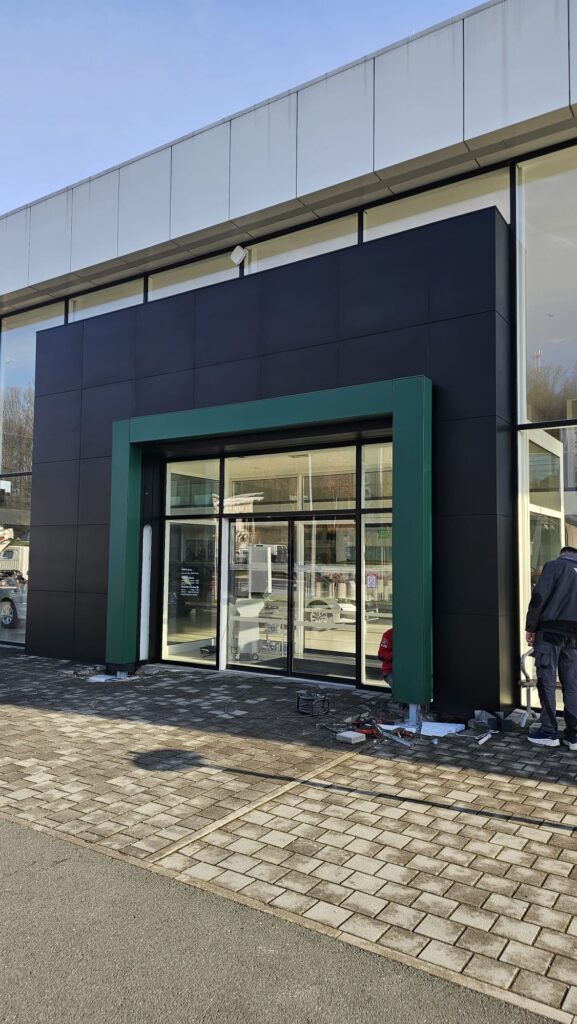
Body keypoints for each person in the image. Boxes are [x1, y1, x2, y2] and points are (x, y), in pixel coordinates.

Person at [525, 546, 577, 750]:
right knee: (572, 683)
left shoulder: (554, 566)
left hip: (550, 632)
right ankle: (574, 736)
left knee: (546, 680)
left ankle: (548, 732)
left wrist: (531, 627)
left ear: (562, 554)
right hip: (574, 636)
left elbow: (539, 597)